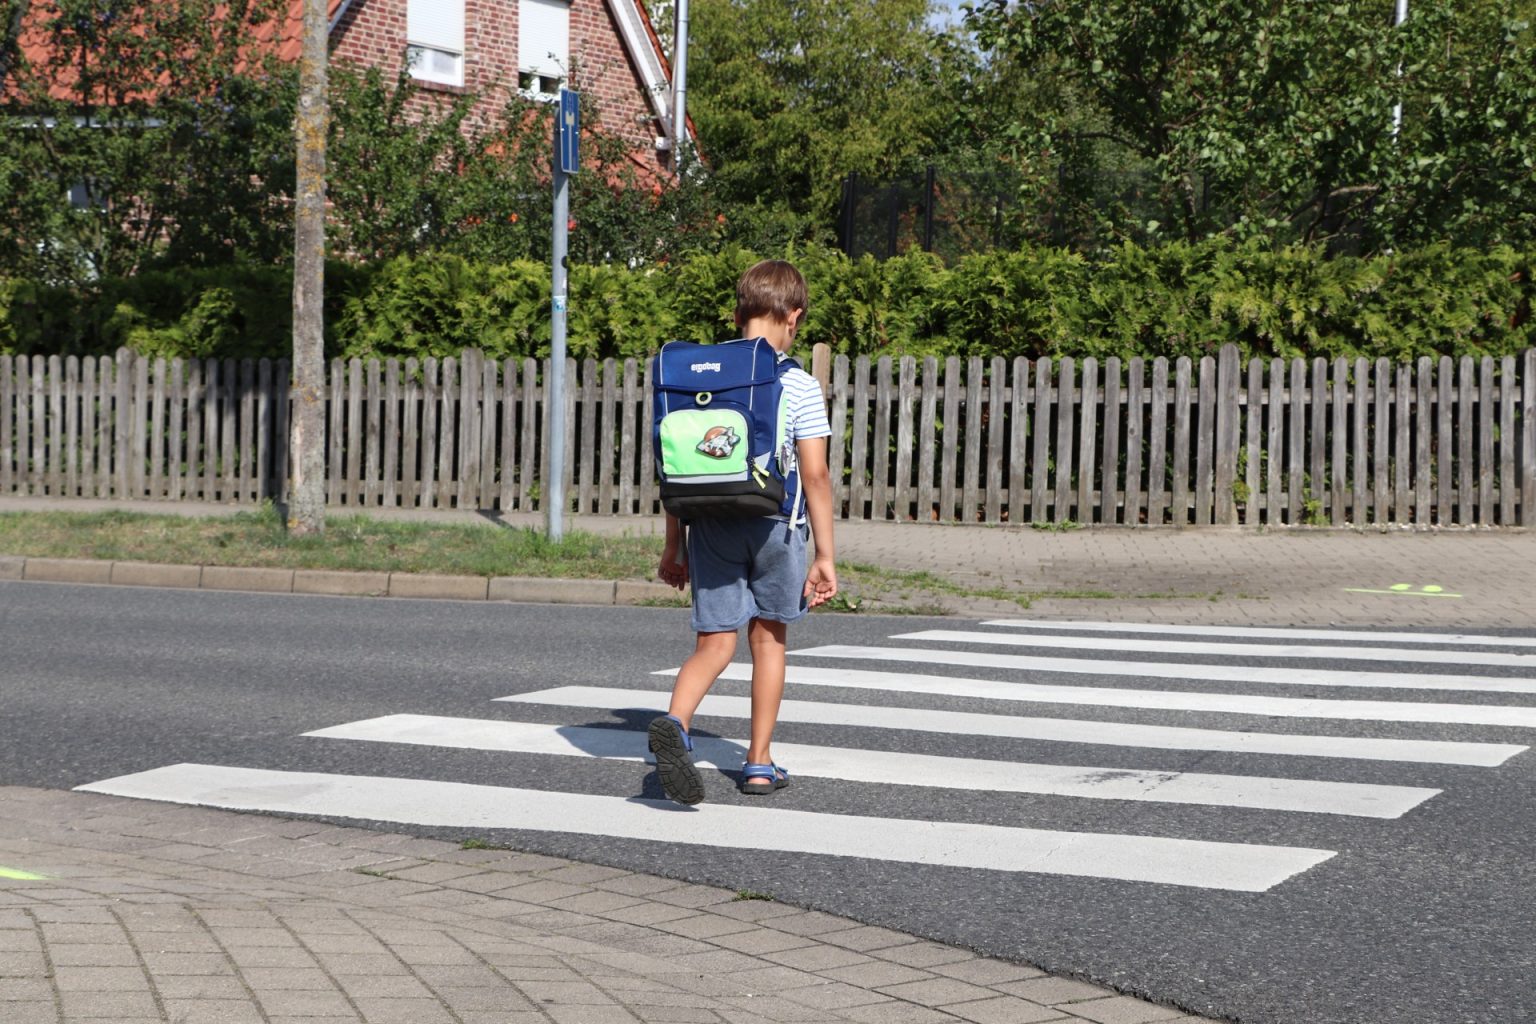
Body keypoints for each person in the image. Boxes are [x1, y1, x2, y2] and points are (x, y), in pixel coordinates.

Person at [648, 259, 838, 804]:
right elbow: (816, 475)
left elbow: (676, 468)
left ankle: (678, 724)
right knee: (769, 640)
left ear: (738, 315)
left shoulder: (694, 377)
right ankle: (758, 763)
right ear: (794, 317)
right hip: (776, 527)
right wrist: (825, 554)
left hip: (708, 524)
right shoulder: (798, 384)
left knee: (713, 643)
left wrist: (673, 544)